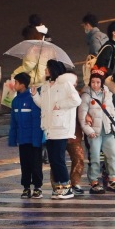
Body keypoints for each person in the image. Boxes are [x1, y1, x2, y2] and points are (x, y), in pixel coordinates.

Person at [32, 60, 81, 199]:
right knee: (53, 159)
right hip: (49, 127)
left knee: (59, 158)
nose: (45, 71)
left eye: (47, 68)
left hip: (61, 127)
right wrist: (35, 94)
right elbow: (44, 105)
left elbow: (76, 100)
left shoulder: (65, 84)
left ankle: (67, 187)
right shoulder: (47, 86)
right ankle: (59, 186)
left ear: (53, 69)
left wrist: (60, 105)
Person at [78, 66, 115, 193]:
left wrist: (114, 122)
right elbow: (82, 116)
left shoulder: (107, 93)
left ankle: (113, 180)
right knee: (95, 157)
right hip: (94, 133)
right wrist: (89, 131)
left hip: (108, 131)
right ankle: (94, 182)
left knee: (114, 154)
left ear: (102, 83)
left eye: (98, 82)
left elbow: (111, 111)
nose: (95, 85)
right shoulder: (86, 95)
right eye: (93, 82)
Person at [8, 73, 44, 199]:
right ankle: (26, 187)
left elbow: (36, 121)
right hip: (22, 140)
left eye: (16, 82)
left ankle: (38, 187)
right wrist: (12, 139)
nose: (14, 85)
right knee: (25, 164)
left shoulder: (32, 99)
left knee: (35, 164)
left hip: (33, 140)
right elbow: (13, 122)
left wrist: (37, 140)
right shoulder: (15, 101)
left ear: (22, 84)